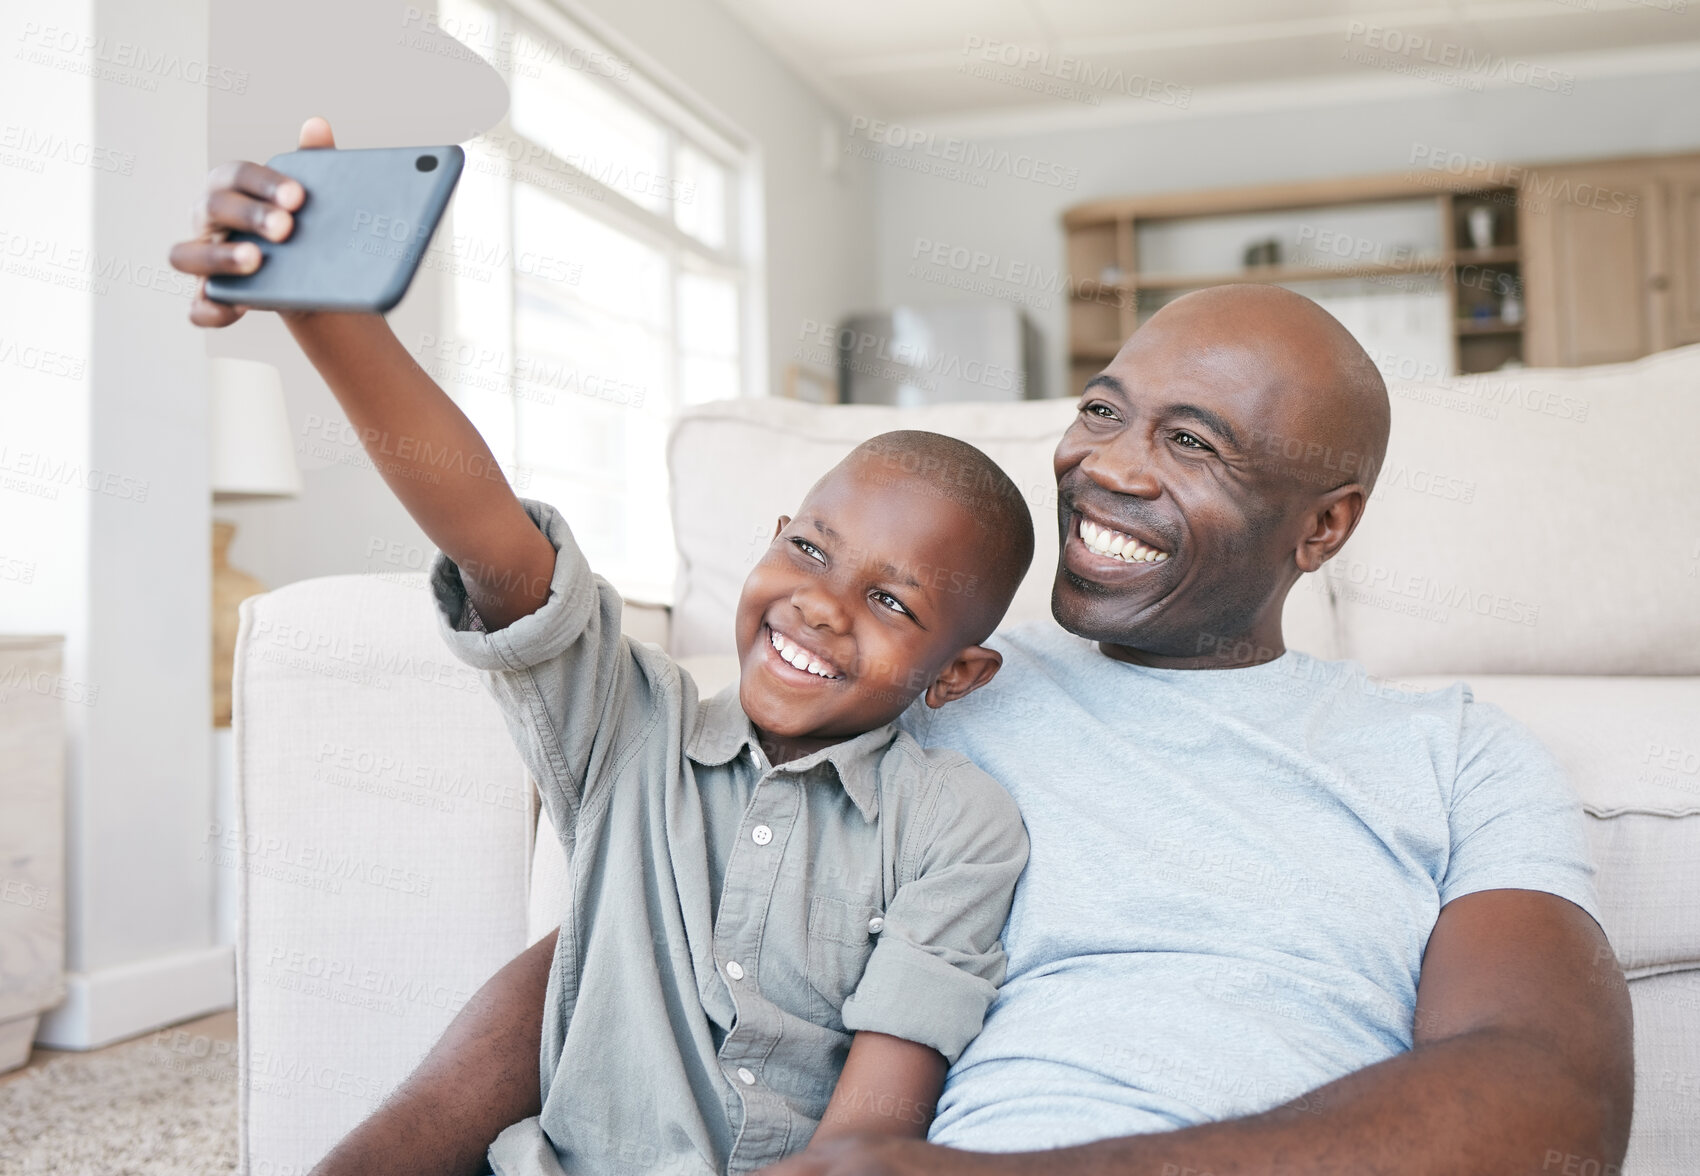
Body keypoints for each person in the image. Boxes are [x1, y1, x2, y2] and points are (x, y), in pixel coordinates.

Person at [170, 124, 1634, 1176]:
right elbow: (648, 930)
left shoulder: (1456, 754)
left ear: (1324, 532)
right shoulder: (910, 700)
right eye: (1105, 409)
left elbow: (1551, 1096)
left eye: (1190, 444)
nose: (1105, 469)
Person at [171, 119, 1040, 1176]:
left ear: (956, 674)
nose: (817, 606)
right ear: (770, 540)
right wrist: (330, 321)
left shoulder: (957, 824)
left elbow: (872, 1125)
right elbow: (492, 537)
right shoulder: (633, 725)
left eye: (890, 603)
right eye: (808, 550)